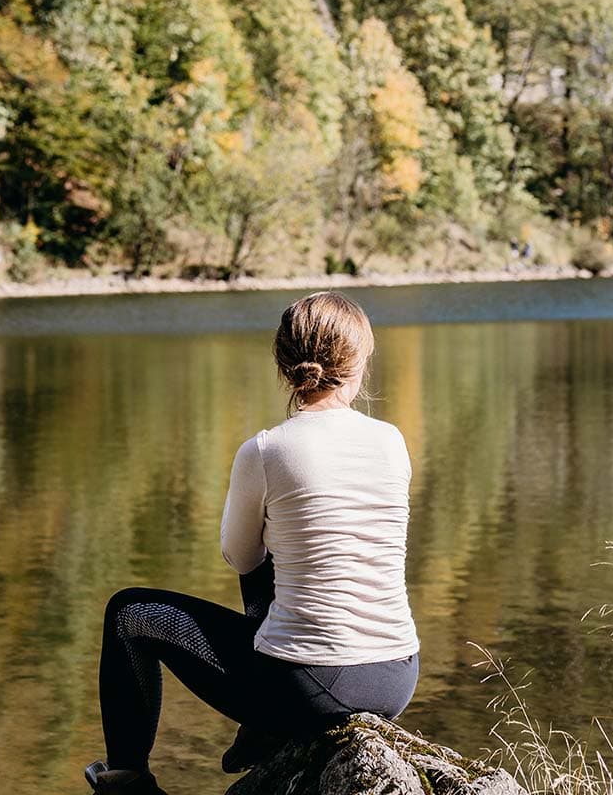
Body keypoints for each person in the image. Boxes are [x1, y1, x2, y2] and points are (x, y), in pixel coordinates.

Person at [84, 291, 420, 794]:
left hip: (307, 687)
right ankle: (264, 728)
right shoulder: (393, 441)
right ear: (359, 364)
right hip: (396, 676)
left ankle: (128, 780)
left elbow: (240, 558)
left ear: (285, 365)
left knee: (131, 614)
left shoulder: (267, 449)